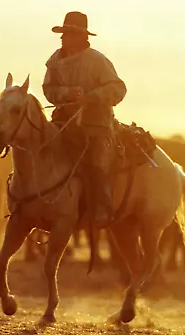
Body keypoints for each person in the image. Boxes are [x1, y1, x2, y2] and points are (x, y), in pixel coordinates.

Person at [42, 11, 127, 224]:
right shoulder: (54, 60)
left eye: (68, 33)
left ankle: (102, 208)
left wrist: (92, 97)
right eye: (63, 33)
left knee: (97, 162)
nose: (62, 38)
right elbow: (48, 88)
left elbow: (118, 88)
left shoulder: (98, 61)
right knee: (42, 151)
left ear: (81, 37)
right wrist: (66, 93)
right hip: (62, 121)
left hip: (95, 124)